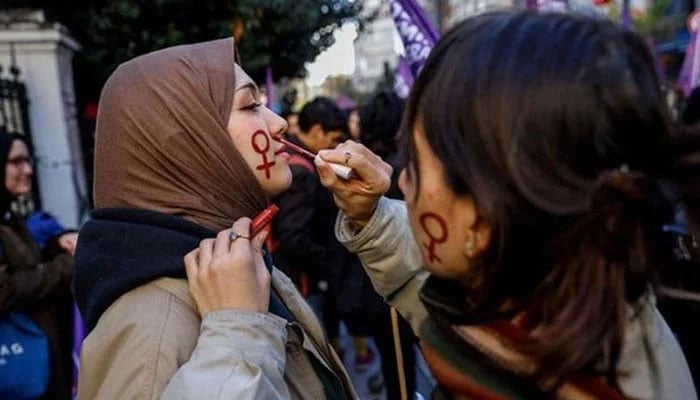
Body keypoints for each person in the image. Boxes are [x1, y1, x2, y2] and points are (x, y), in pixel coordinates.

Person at [316, 11, 697, 399]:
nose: (402, 180)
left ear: (485, 216)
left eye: (414, 160)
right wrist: (372, 217)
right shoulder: (553, 309)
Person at [74, 39, 357, 399]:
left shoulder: (239, 261)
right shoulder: (151, 329)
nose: (280, 123)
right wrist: (238, 335)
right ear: (186, 141)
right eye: (251, 105)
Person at [0, 133, 77, 400]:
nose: (28, 170)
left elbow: (26, 259)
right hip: (19, 361)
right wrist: (67, 265)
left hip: (39, 354)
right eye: (17, 161)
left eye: (28, 160)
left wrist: (58, 242)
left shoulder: (10, 217)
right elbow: (4, 289)